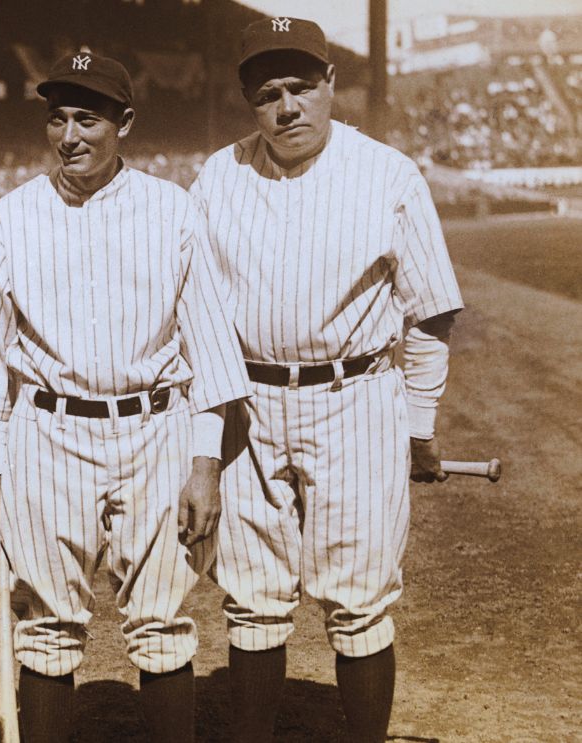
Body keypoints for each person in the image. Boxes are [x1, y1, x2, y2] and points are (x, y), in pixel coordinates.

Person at [0, 52, 250, 743]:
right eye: (56, 117)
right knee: (47, 626)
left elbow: (207, 348)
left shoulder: (172, 210)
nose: (69, 135)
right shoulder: (11, 216)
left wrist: (205, 464)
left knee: (162, 621)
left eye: (87, 117)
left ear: (125, 123)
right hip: (46, 432)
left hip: (154, 428)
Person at [187, 18, 464, 743]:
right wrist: (205, 436)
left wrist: (417, 426)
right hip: (247, 402)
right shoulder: (219, 175)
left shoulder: (387, 173)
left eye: (301, 87)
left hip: (355, 397)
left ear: (330, 83)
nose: (287, 108)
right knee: (250, 597)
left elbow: (429, 314)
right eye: (267, 93)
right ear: (248, 100)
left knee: (358, 598)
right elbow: (197, 317)